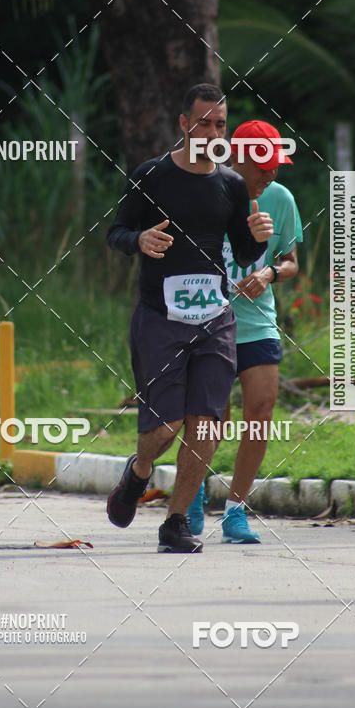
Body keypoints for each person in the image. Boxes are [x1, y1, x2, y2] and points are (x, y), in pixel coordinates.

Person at [105, 85, 274, 553]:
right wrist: (139, 240)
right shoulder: (151, 176)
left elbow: (243, 252)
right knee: (165, 427)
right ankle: (139, 470)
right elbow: (116, 232)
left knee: (206, 424)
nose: (213, 133)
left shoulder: (231, 184)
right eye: (204, 123)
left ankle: (175, 522)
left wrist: (258, 238)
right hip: (160, 317)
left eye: (220, 125)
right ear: (184, 124)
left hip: (215, 318)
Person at [186, 119, 302, 543]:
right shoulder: (206, 191)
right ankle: (191, 494)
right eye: (264, 165)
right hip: (208, 323)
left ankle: (236, 510)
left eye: (276, 165)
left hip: (257, 324)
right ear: (238, 158)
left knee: (262, 409)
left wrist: (269, 273)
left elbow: (291, 261)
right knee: (212, 421)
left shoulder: (281, 198)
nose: (272, 173)